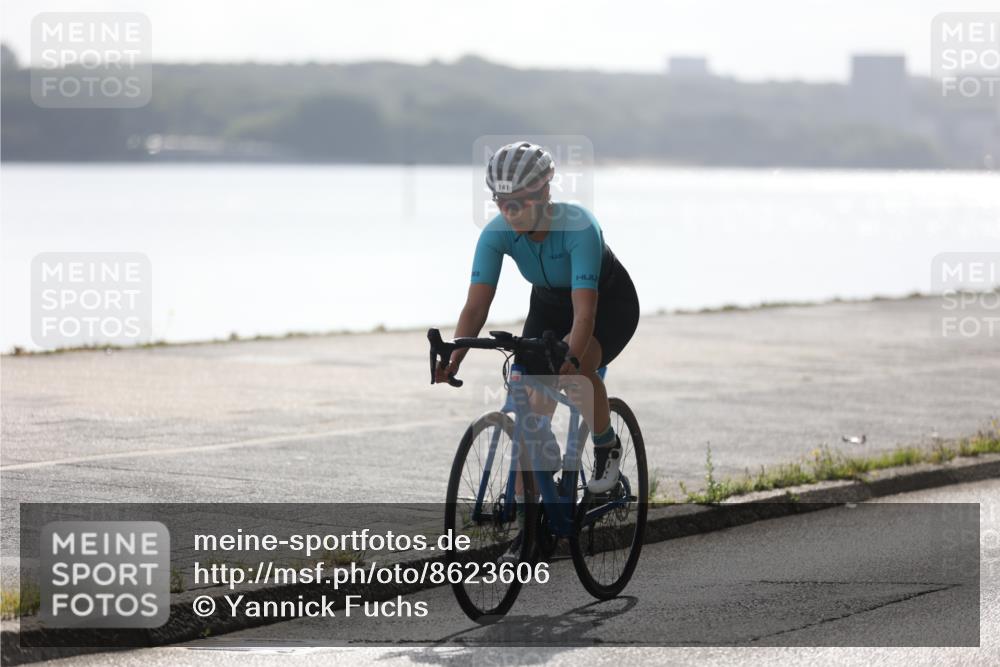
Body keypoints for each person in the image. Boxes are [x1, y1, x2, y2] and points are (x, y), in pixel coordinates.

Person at [433, 140, 640, 546]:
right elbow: (475, 308)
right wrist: (454, 356)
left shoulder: (579, 228)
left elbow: (584, 316)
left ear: (545, 192)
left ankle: (606, 447)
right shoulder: (496, 235)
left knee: (578, 371)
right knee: (531, 408)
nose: (509, 212)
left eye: (519, 202)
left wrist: (571, 354)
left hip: (607, 306)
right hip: (547, 306)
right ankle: (533, 526)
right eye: (501, 202)